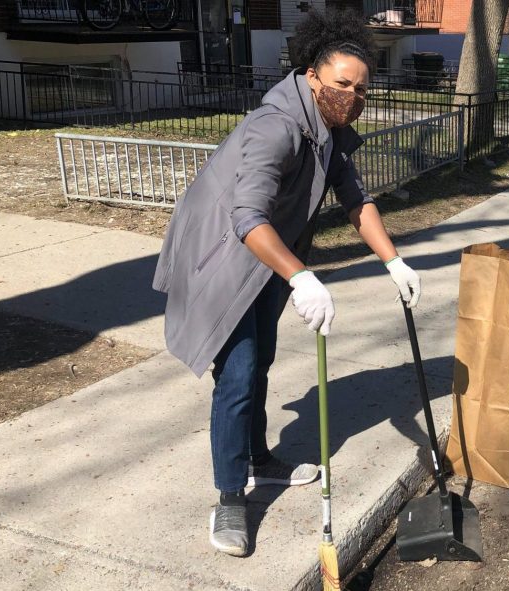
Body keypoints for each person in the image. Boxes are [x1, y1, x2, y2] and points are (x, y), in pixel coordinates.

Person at [152, 9, 421, 556]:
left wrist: (393, 261)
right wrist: (302, 277)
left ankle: (257, 459)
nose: (353, 96)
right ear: (313, 76)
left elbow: (355, 198)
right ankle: (230, 497)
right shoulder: (276, 126)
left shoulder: (330, 126)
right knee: (240, 372)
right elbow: (247, 216)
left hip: (269, 256)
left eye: (362, 88)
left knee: (263, 357)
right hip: (226, 256)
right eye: (342, 84)